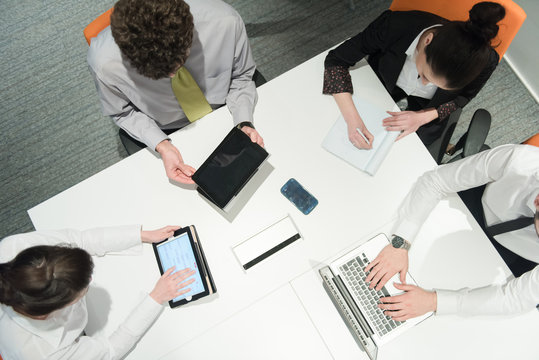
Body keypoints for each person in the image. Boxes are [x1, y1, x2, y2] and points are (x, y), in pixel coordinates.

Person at [87, 0, 264, 184]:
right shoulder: (105, 64)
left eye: (180, 61)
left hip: (228, 109)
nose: (172, 73)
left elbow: (241, 76)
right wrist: (162, 145)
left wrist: (244, 121)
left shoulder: (225, 22)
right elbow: (123, 112)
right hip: (167, 130)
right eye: (159, 73)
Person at [363, 144, 539, 320]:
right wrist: (400, 243)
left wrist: (434, 301)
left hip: (514, 259)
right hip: (475, 207)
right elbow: (436, 181)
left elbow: (516, 298)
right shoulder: (518, 161)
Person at [323, 2, 505, 149]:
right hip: (380, 88)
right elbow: (336, 60)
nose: (425, 84)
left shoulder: (485, 62)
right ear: (427, 41)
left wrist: (424, 117)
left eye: (438, 85)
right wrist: (351, 118)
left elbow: (463, 98)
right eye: (425, 74)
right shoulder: (396, 25)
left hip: (426, 112)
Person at [0, 225, 195, 359]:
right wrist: (155, 298)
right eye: (84, 288)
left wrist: (142, 235)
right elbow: (109, 351)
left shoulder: (12, 247)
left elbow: (80, 239)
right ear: (62, 304)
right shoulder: (45, 353)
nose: (91, 281)